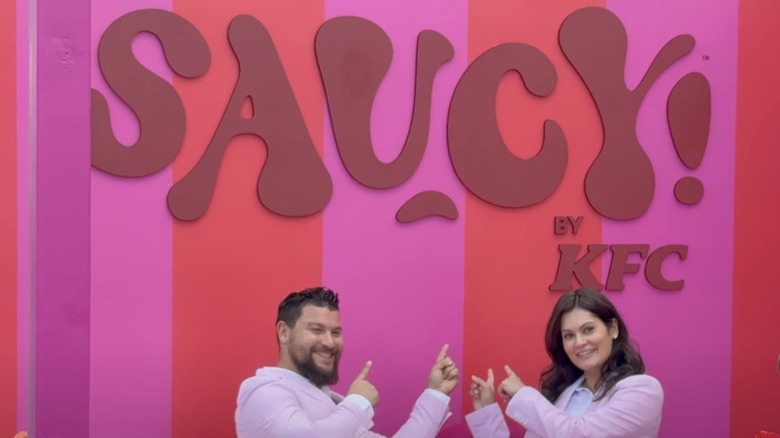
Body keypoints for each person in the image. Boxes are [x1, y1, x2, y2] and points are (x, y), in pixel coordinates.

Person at [235, 286, 458, 437]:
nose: (330, 342)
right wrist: (359, 402)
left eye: (336, 332)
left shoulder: (334, 404)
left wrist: (435, 394)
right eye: (316, 330)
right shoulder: (262, 389)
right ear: (284, 333)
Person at [466, 287, 663, 438]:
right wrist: (486, 411)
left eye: (588, 330)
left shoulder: (643, 390)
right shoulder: (561, 395)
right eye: (568, 335)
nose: (579, 343)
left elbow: (579, 434)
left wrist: (525, 395)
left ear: (612, 329)